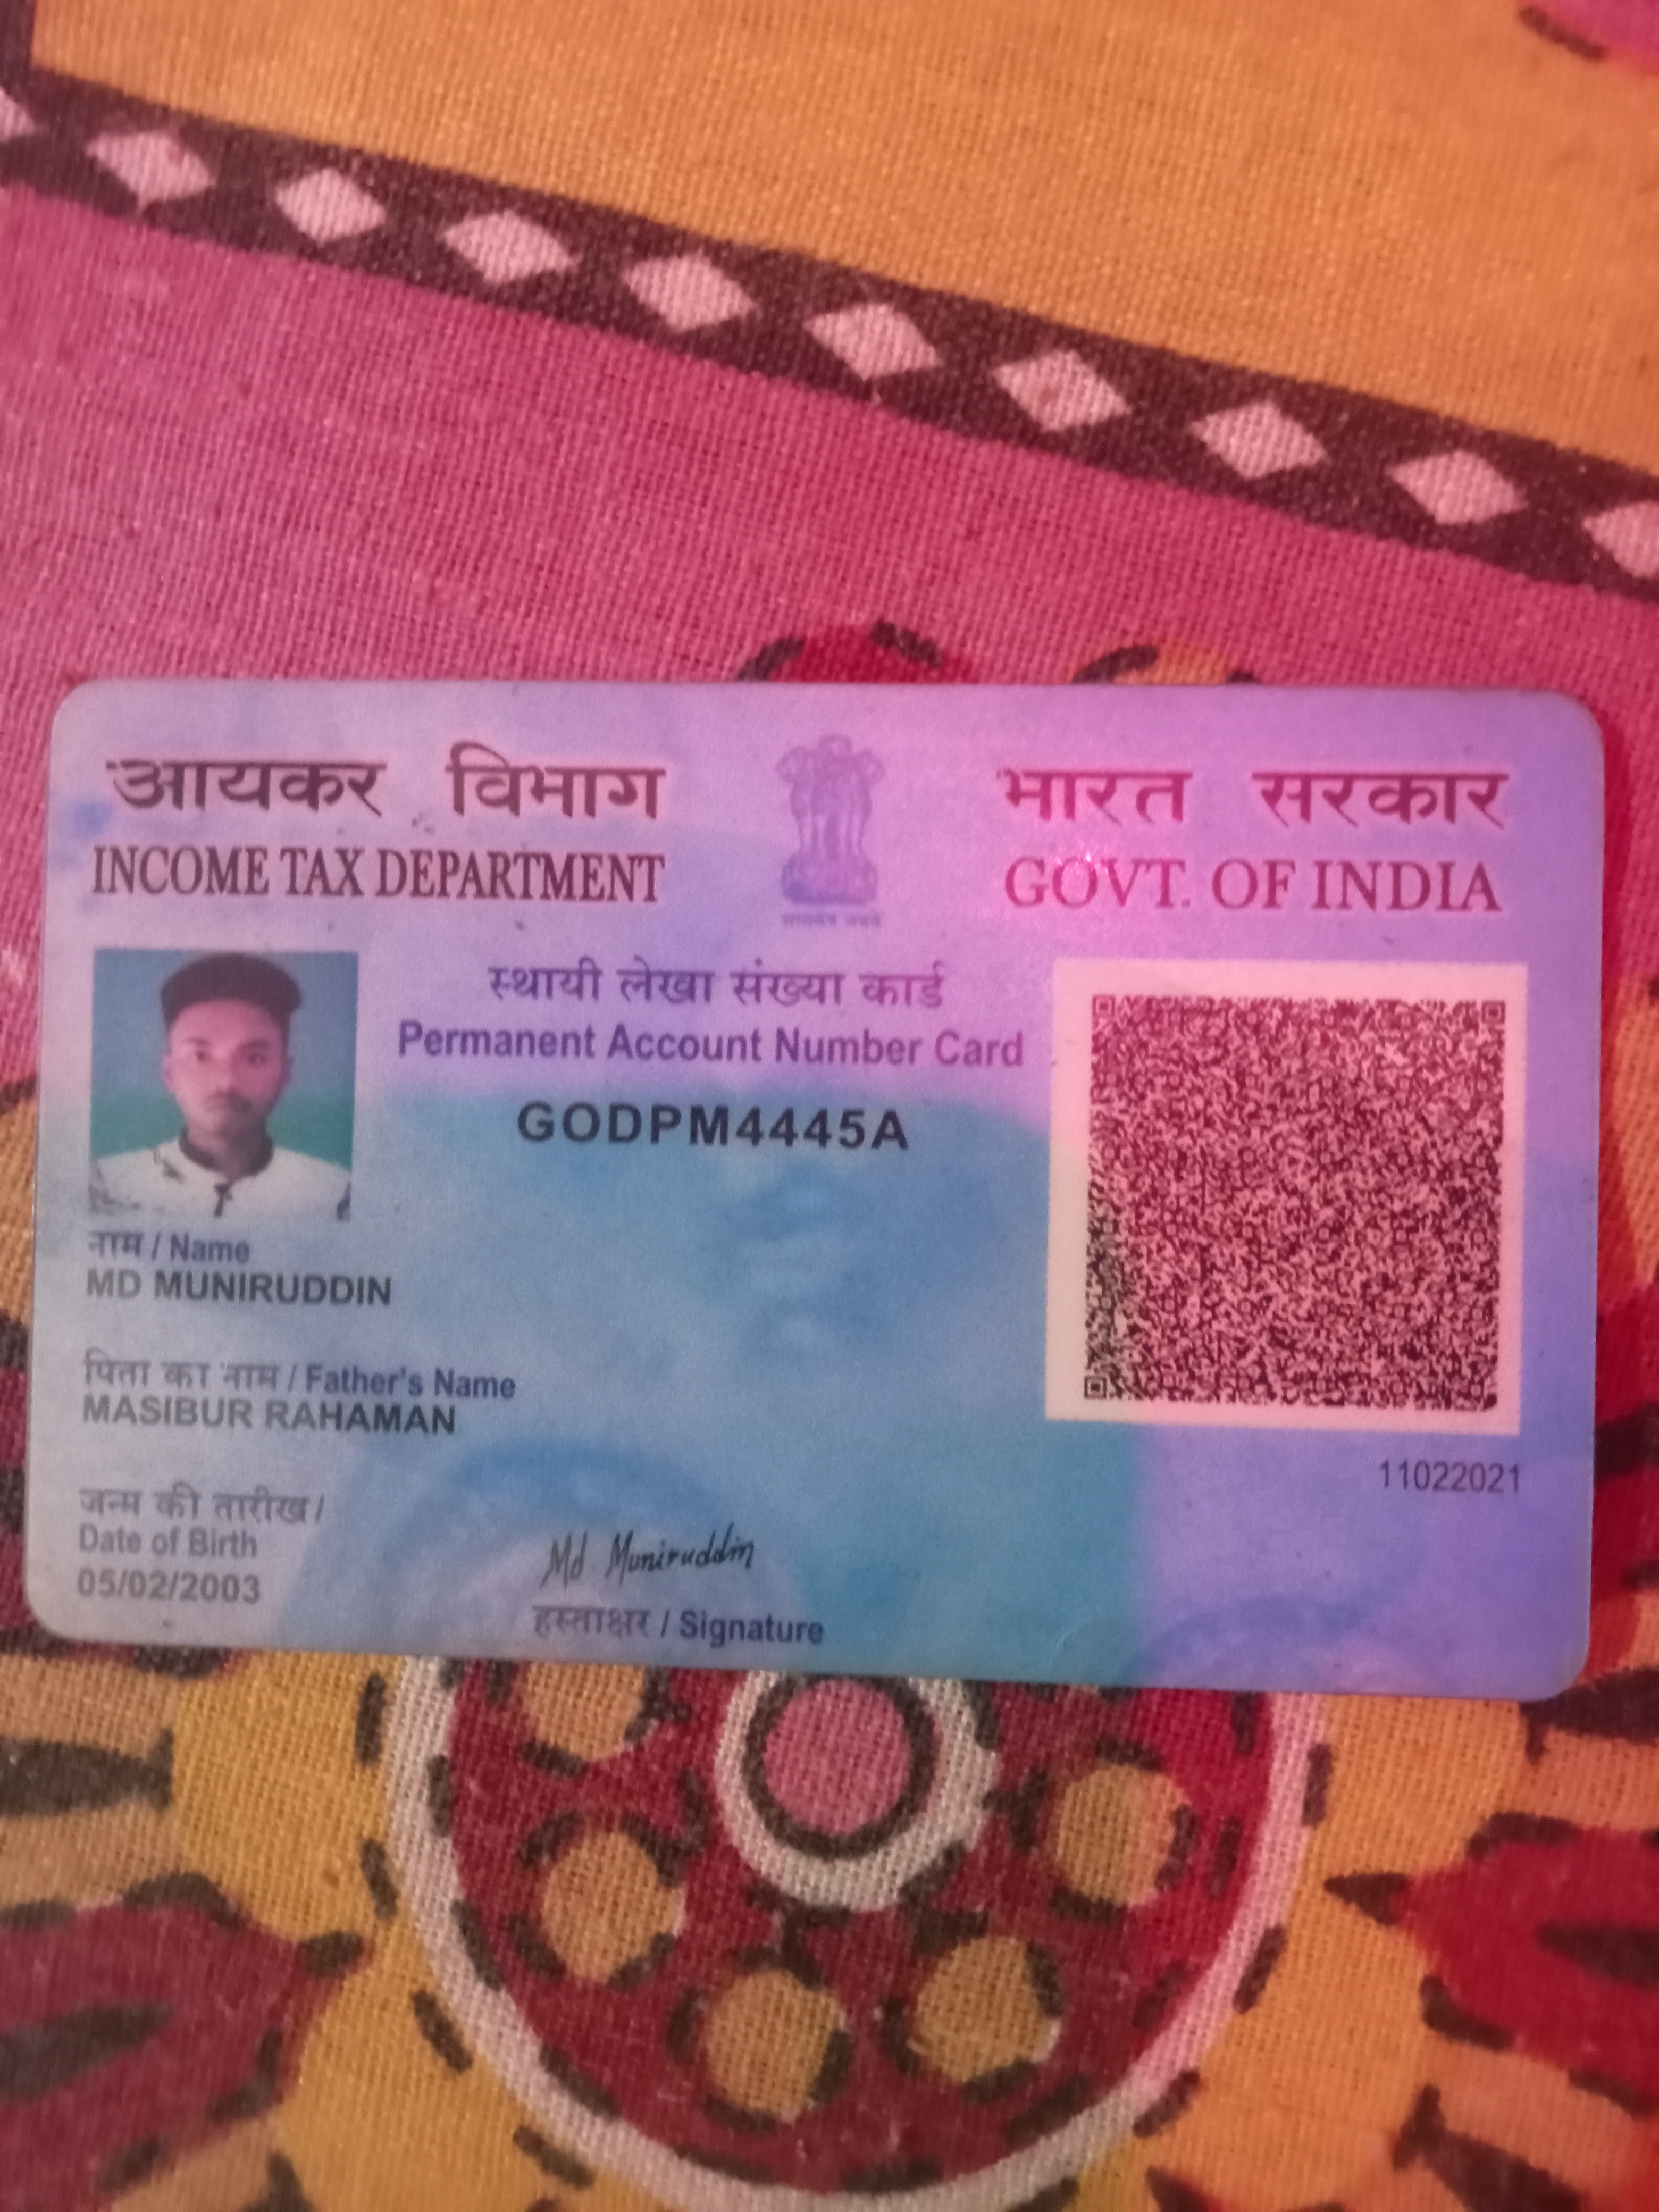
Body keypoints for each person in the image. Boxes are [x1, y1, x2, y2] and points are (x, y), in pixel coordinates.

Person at [92, 953, 351, 1220]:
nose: (227, 1082)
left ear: (285, 1072)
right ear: (169, 1073)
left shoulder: (335, 1197)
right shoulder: (105, 1189)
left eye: (254, 1058)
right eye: (200, 1057)